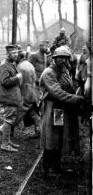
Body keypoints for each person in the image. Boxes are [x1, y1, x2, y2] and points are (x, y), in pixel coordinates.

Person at [39, 46, 83, 176]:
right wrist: (75, 99)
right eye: (60, 58)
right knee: (50, 138)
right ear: (55, 58)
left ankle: (57, 167)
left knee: (58, 137)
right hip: (52, 108)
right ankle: (46, 168)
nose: (63, 61)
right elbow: (57, 92)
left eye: (65, 58)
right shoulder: (49, 73)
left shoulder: (64, 71)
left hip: (60, 109)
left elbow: (69, 86)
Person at [0, 45, 23, 152]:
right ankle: (5, 144)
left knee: (10, 119)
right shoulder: (4, 65)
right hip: (8, 97)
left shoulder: (11, 64)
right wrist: (17, 77)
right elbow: (5, 82)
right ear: (8, 54)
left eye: (17, 53)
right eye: (14, 53)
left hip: (12, 96)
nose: (16, 55)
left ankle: (7, 141)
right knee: (8, 120)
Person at [15, 47, 41, 138]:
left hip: (24, 92)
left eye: (16, 56)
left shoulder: (19, 67)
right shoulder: (30, 65)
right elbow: (34, 79)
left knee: (18, 110)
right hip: (33, 90)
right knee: (33, 112)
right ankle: (38, 130)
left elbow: (19, 82)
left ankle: (8, 129)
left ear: (19, 57)